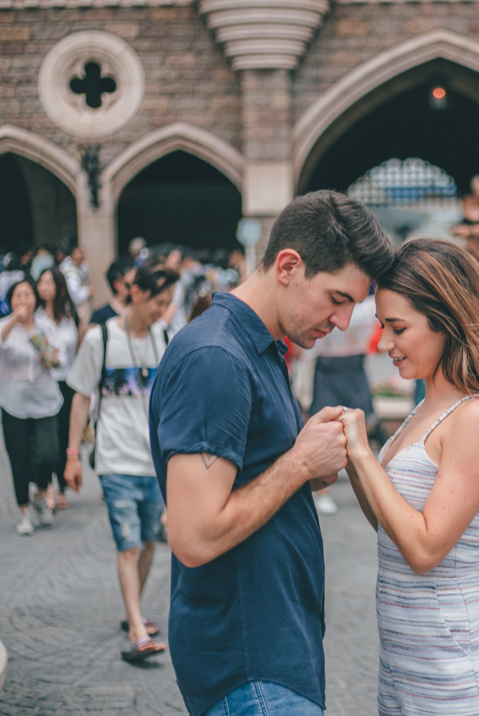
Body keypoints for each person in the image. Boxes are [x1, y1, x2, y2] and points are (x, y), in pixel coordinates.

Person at [149, 190, 393, 716]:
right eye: (336, 298)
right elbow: (192, 535)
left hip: (272, 655)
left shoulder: (257, 347)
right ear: (288, 266)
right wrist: (300, 462)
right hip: (249, 667)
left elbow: (257, 479)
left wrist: (314, 464)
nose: (345, 322)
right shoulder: (216, 358)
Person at [339, 238, 479, 716]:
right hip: (406, 671)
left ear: (446, 320)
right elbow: (389, 526)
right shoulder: (426, 407)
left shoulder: (478, 416)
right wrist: (354, 460)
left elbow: (423, 549)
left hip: (461, 681)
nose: (385, 344)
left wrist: (362, 450)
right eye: (382, 326)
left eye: (398, 328)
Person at [64, 263, 180, 661]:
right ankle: (136, 628)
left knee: (149, 543)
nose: (162, 311)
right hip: (115, 460)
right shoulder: (101, 338)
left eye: (168, 303)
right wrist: (72, 455)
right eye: (158, 302)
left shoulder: (166, 337)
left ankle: (134, 609)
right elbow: (80, 397)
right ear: (136, 294)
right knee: (128, 545)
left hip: (156, 463)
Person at [0, 279, 63, 535]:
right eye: (18, 296)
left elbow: (58, 361)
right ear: (11, 301)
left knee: (49, 453)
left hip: (44, 400)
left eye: (28, 295)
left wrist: (50, 355)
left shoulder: (45, 325)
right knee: (19, 458)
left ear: (35, 299)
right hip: (13, 402)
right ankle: (24, 512)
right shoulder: (1, 326)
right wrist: (13, 322)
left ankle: (40, 492)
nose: (24, 301)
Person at [309, 290, 382, 516]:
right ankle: (323, 492)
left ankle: (371, 488)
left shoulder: (368, 307)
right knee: (324, 428)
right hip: (327, 367)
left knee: (365, 425)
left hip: (354, 366)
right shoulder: (327, 303)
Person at [36, 267, 79, 510]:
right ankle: (48, 487)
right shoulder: (36, 316)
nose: (44, 287)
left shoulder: (71, 314)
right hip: (46, 381)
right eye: (41, 282)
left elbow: (79, 348)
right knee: (49, 437)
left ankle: (62, 486)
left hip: (69, 381)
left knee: (65, 433)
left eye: (49, 282)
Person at [91, 258, 137, 326]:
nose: (135, 288)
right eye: (130, 284)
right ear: (117, 284)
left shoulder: (139, 309)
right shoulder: (100, 316)